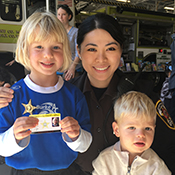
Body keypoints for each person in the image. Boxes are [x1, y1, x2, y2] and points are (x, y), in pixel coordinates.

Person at [1, 13, 175, 175]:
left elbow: (168, 150)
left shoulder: (141, 96)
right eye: (91, 49)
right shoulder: (67, 92)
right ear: (78, 50)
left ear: (121, 51)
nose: (101, 58)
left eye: (111, 49)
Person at [0, 11, 92, 175]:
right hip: (22, 171)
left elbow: (85, 144)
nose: (48, 54)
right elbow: (2, 148)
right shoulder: (11, 96)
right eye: (39, 47)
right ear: (25, 50)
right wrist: (14, 135)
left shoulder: (74, 95)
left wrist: (76, 135)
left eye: (56, 47)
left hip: (65, 171)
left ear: (65, 51)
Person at [92, 91, 171, 175]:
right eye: (132, 128)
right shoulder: (105, 160)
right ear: (117, 130)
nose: (141, 134)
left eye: (148, 128)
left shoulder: (156, 166)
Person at [57, 4, 82, 81]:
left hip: (73, 69)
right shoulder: (55, 32)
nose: (60, 17)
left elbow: (78, 52)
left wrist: (72, 67)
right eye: (58, 15)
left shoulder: (76, 32)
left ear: (69, 16)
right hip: (58, 69)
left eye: (63, 14)